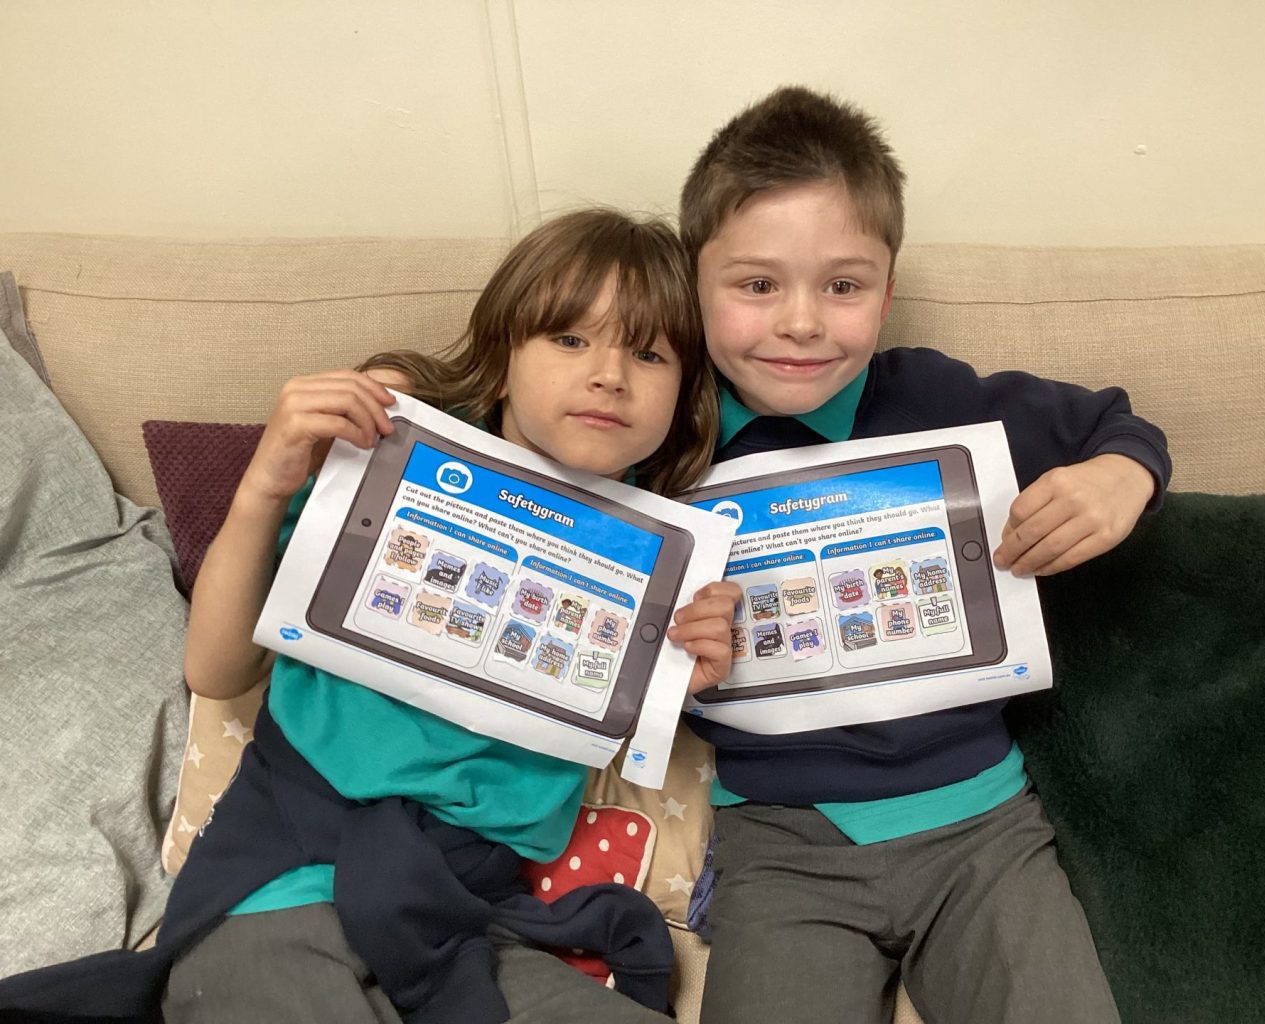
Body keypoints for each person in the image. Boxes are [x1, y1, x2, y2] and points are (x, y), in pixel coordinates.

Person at [0, 209, 740, 1024]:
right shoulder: (389, 467)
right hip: (284, 879)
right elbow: (214, 670)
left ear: (683, 397)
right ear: (500, 365)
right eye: (569, 338)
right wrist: (265, 484)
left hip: (459, 915)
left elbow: (613, 728)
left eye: (648, 354)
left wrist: (679, 683)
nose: (608, 375)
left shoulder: (667, 561)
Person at [679, 86, 1173, 1024]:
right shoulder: (663, 431)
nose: (800, 322)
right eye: (756, 285)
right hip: (778, 846)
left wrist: (1120, 476)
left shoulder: (940, 399)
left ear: (887, 291)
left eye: (842, 285)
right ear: (691, 283)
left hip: (981, 827)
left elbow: (1116, 423)